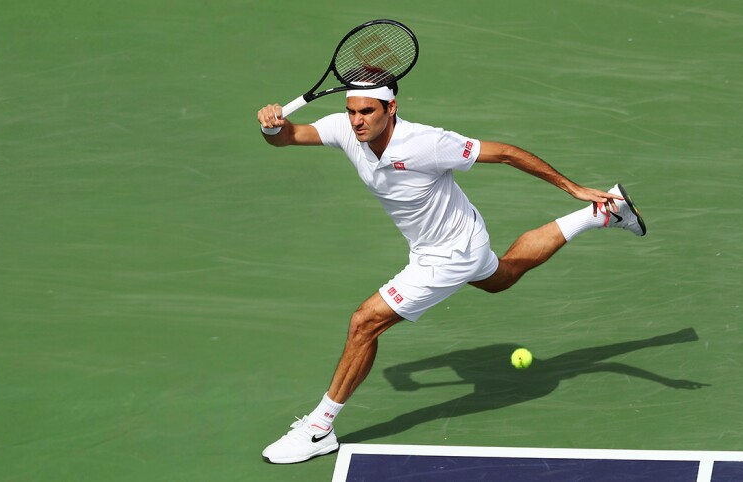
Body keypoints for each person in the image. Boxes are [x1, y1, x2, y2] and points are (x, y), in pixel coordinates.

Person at [255, 80, 646, 464]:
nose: (357, 121)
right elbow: (289, 135)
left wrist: (571, 186)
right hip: (451, 239)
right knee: (501, 278)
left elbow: (506, 153)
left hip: (451, 254)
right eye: (352, 111)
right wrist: (271, 126)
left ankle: (319, 429)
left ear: (391, 109)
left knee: (365, 322)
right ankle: (601, 214)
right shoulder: (346, 129)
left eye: (367, 112)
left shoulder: (427, 143)